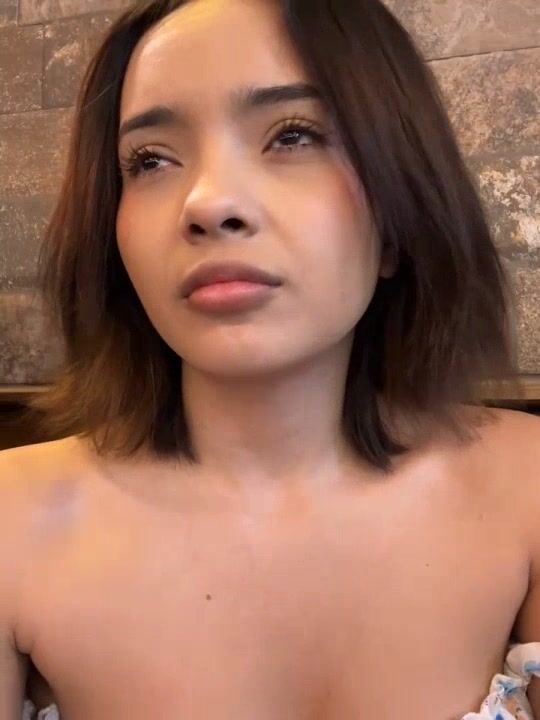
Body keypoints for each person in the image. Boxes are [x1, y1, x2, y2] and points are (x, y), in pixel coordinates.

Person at [1, 0, 539, 717]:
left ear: (397, 215)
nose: (209, 202)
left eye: (293, 135)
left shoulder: (527, 488)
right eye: (150, 160)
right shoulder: (12, 522)